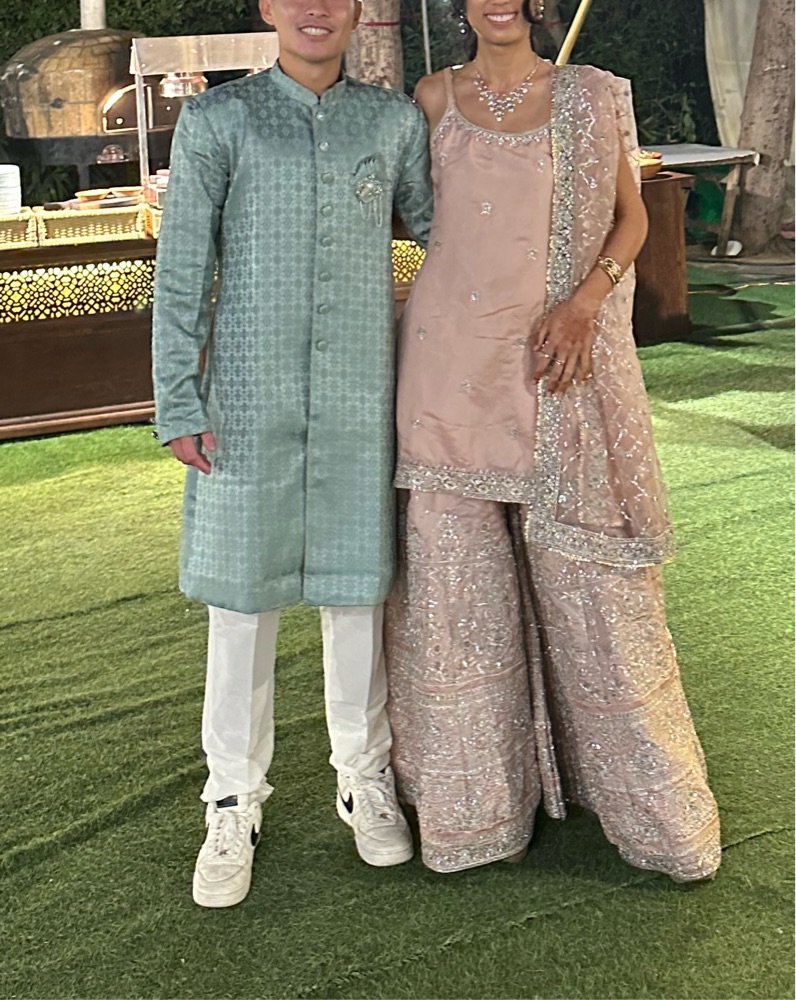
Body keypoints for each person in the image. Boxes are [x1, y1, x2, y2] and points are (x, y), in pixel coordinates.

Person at [384, 0, 722, 881]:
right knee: (457, 600)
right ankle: (474, 811)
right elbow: (412, 221)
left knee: (593, 592)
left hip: (558, 366)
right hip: (445, 374)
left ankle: (650, 812)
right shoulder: (430, 97)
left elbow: (631, 219)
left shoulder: (591, 94)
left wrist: (585, 304)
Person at [152, 0, 433, 908]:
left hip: (360, 395)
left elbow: (445, 240)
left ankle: (365, 777)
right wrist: (177, 397)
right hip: (244, 397)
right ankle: (232, 798)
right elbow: (182, 268)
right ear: (269, 7)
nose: (317, 9)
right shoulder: (217, 119)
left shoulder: (392, 124)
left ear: (355, 11)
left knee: (357, 595)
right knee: (241, 604)